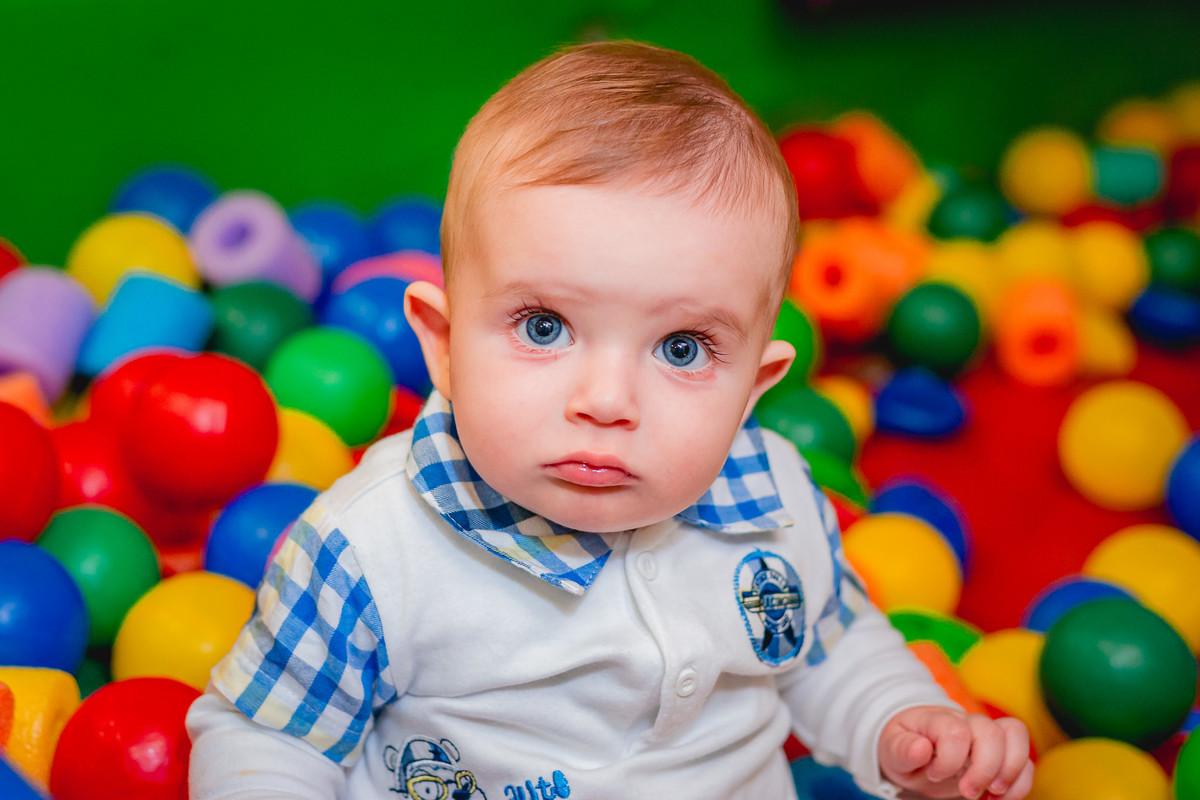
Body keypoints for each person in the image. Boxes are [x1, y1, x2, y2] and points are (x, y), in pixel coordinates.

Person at [187, 41, 1034, 800]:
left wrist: (900, 725)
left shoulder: (774, 498)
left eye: (682, 348)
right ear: (442, 347)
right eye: (543, 327)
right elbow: (267, 737)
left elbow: (828, 650)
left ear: (754, 387)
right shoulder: (372, 549)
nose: (606, 400)